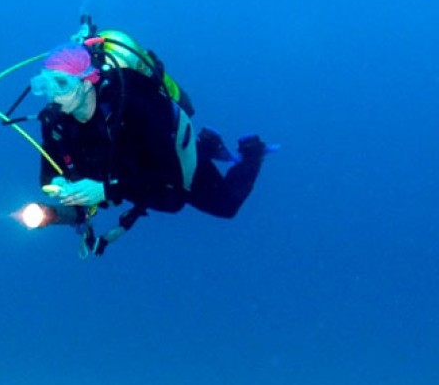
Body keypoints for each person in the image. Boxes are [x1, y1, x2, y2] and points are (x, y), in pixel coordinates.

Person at [31, 19, 272, 255]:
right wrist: (59, 186)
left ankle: (252, 152)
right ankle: (207, 145)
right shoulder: (55, 122)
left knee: (226, 206)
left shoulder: (135, 106)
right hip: (125, 176)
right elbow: (48, 173)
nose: (52, 95)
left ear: (87, 82)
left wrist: (107, 190)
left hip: (169, 159)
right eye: (44, 85)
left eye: (61, 84)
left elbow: (169, 176)